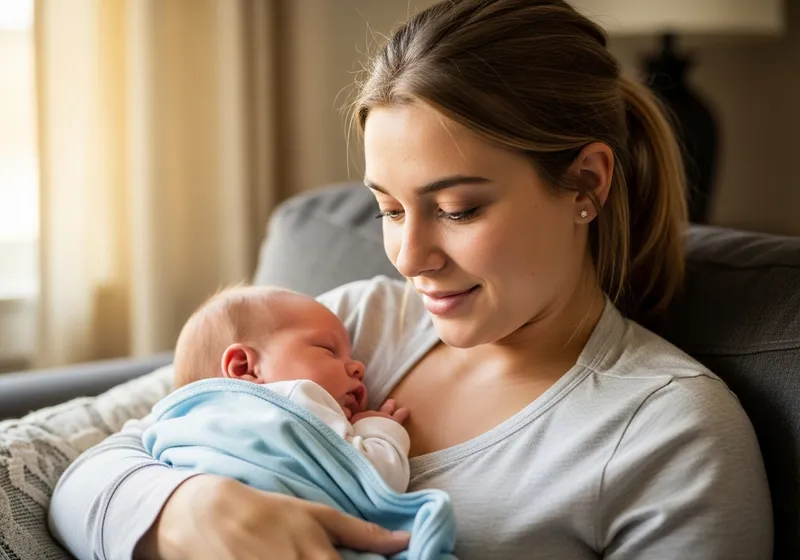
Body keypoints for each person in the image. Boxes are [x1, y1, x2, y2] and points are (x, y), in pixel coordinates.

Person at [48, 1, 773, 559]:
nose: (409, 255)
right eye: (389, 209)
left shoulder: (667, 433)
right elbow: (87, 463)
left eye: (457, 209)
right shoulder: (351, 326)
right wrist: (182, 510)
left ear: (585, 182)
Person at [156, 284, 413, 494]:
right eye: (328, 350)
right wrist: (377, 429)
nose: (358, 366)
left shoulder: (172, 425)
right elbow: (379, 480)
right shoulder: (295, 400)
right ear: (244, 367)